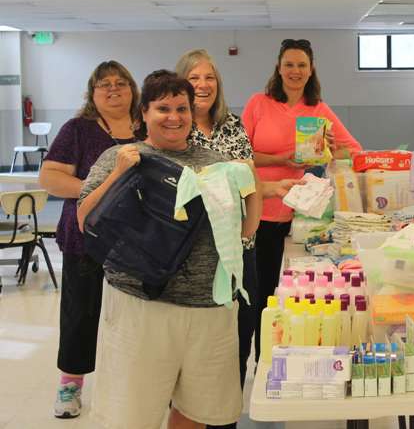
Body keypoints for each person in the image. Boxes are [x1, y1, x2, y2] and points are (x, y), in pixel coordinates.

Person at [77, 70, 262, 429]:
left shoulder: (214, 161)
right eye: (163, 108)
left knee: (195, 411)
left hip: (208, 307)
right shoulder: (123, 156)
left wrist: (252, 182)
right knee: (131, 415)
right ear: (143, 112)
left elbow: (245, 231)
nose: (174, 117)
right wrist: (118, 174)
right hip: (141, 306)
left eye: (182, 108)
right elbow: (85, 220)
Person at [175, 49, 300, 429]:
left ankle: (226, 415)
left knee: (240, 334)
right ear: (182, 83)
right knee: (202, 347)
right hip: (197, 255)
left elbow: (247, 182)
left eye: (209, 77)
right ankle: (198, 415)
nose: (202, 85)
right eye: (194, 78)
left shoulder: (230, 124)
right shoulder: (175, 128)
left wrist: (252, 225)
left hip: (240, 251)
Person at [241, 38, 363, 360]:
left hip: (304, 220)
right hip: (261, 213)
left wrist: (330, 148)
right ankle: (262, 360)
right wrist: (284, 158)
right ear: (279, 68)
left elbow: (355, 150)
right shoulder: (258, 103)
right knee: (262, 294)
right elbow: (241, 156)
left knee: (305, 297)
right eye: (289, 64)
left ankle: (297, 358)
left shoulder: (319, 110)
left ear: (311, 71)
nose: (295, 71)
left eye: (302, 65)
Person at [39, 60, 140, 419]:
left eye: (120, 83)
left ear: (132, 89)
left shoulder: (147, 126)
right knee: (81, 313)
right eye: (104, 85)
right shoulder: (77, 130)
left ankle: (131, 383)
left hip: (138, 244)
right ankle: (70, 384)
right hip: (86, 240)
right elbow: (50, 178)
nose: (113, 90)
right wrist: (101, 190)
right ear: (92, 93)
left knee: (133, 319)